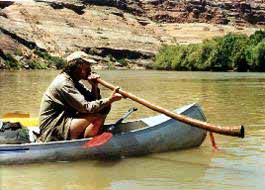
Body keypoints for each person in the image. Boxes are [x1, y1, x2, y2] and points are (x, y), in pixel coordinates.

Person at [38, 51, 123, 142]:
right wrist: (110, 100)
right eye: (87, 66)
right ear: (77, 67)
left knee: (103, 107)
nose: (90, 70)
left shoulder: (74, 81)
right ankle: (88, 142)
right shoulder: (64, 83)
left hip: (65, 122)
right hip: (53, 129)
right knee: (102, 110)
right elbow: (87, 108)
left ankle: (87, 137)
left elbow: (92, 101)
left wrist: (94, 86)